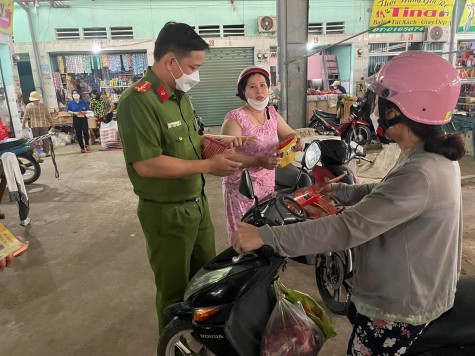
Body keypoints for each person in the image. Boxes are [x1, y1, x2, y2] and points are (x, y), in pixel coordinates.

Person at [231, 51, 465, 355]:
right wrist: (342, 192)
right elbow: (387, 192)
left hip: (400, 307)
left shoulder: (422, 172)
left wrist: (266, 237)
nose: (373, 108)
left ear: (400, 108)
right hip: (411, 286)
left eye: (380, 99)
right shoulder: (429, 155)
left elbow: (346, 228)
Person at [116, 21, 242, 336]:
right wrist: (208, 167)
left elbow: (189, 142)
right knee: (174, 293)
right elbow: (147, 164)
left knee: (205, 283)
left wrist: (217, 142)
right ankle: (173, 343)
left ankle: (198, 338)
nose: (195, 75)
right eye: (192, 67)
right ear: (171, 61)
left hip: (196, 207)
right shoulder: (138, 101)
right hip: (166, 213)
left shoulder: (178, 96)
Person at [221, 66, 304, 243]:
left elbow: (290, 133)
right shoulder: (235, 118)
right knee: (243, 232)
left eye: (263, 85)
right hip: (241, 187)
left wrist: (297, 139)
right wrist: (260, 160)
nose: (259, 91)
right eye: (252, 86)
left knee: (262, 230)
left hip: (266, 184)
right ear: (243, 91)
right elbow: (227, 156)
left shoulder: (272, 114)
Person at [21, 91, 53, 157]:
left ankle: (37, 152)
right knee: (45, 139)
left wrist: (23, 124)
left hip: (34, 125)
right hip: (43, 124)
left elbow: (25, 116)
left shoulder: (29, 106)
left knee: (36, 139)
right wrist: (52, 122)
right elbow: (48, 115)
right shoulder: (43, 105)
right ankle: (47, 152)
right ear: (39, 98)